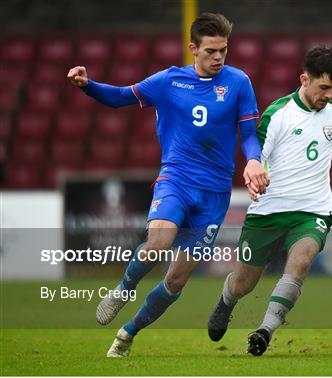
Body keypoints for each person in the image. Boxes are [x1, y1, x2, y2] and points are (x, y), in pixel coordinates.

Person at [67, 12, 268, 358]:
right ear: (193, 48)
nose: (218, 57)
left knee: (176, 280)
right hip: (176, 179)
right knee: (158, 243)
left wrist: (253, 159)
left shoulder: (239, 83)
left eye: (223, 50)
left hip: (214, 196)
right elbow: (120, 97)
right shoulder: (169, 81)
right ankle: (123, 289)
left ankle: (128, 334)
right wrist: (88, 85)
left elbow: (249, 136)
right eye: (211, 51)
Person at [207, 46, 332, 356]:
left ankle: (265, 330)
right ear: (304, 79)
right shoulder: (278, 114)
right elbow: (258, 155)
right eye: (324, 87)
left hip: (313, 209)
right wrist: (254, 171)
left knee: (301, 260)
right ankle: (227, 301)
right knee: (244, 283)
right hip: (269, 210)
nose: (329, 94)